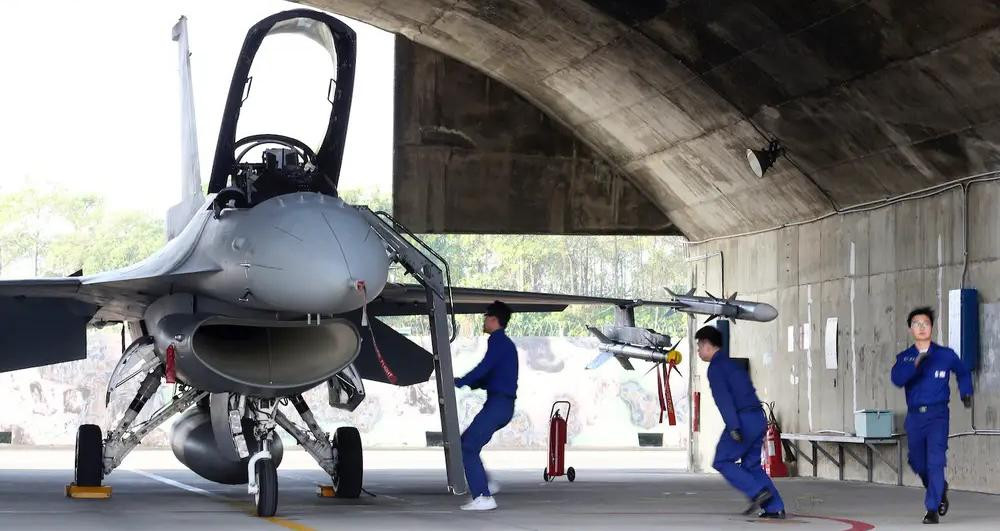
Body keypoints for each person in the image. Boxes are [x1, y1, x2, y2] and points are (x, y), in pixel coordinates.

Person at [891, 307, 973, 525]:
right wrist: (915, 365)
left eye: (925, 323)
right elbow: (897, 379)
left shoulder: (945, 355)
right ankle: (939, 489)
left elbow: (963, 371)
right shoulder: (905, 358)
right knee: (918, 461)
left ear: (932, 327)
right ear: (910, 329)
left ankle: (932, 509)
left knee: (936, 461)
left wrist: (966, 391)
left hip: (938, 416)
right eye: (916, 324)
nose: (921, 327)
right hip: (915, 418)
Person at [696, 325, 785, 519]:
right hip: (758, 417)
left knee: (721, 461)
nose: (698, 351)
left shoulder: (716, 368)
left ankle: (757, 492)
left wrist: (734, 427)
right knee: (751, 465)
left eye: (699, 346)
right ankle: (775, 508)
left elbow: (724, 400)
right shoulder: (732, 363)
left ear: (707, 344)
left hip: (742, 421)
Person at [454, 300, 518, 511]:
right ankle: (486, 484)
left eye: (486, 318)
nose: (484, 321)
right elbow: (490, 376)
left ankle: (483, 496)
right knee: (468, 442)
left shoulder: (498, 342)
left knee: (468, 446)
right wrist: (467, 383)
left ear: (493, 319)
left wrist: (462, 381)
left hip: (499, 405)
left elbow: (484, 368)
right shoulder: (504, 344)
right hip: (501, 405)